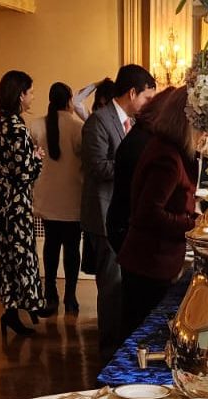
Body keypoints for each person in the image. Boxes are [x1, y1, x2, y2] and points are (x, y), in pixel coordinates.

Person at [81, 64, 157, 356]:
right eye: (147, 98)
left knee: (123, 283)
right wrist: (135, 166)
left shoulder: (133, 123)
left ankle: (122, 340)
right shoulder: (98, 121)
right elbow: (97, 167)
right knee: (110, 285)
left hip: (123, 214)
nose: (149, 104)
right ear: (132, 93)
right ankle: (109, 348)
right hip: (102, 214)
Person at [117, 88, 198, 340]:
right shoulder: (167, 157)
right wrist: (193, 225)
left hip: (154, 261)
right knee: (141, 336)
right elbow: (149, 213)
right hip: (149, 262)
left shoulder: (167, 148)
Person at [0, 70, 45, 338]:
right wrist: (38, 158)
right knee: (21, 254)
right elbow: (25, 173)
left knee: (3, 256)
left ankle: (12, 308)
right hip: (14, 201)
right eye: (30, 92)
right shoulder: (18, 128)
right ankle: (22, 308)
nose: (33, 97)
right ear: (21, 95)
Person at [27, 83, 84, 316]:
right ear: (69, 101)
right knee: (72, 248)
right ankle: (71, 296)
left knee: (51, 246)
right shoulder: (78, 127)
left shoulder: (36, 126)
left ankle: (50, 293)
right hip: (72, 197)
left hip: (47, 197)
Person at [107, 86, 177, 262]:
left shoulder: (143, 133)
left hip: (124, 223)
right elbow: (151, 204)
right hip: (128, 228)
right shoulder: (148, 142)